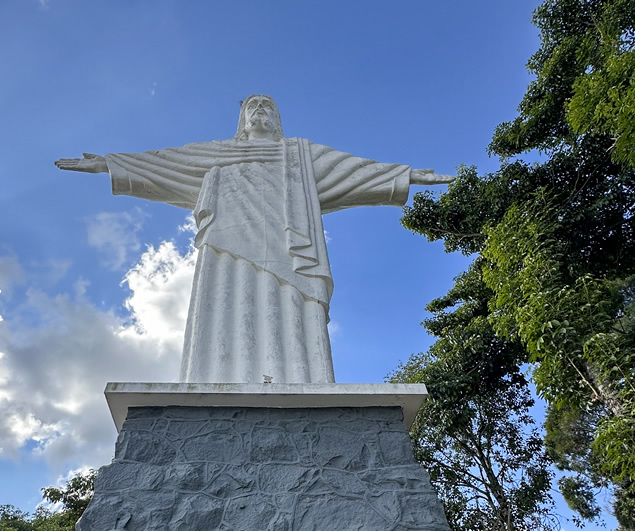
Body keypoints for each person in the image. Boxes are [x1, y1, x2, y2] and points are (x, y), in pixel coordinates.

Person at [56, 95, 452, 384]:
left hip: (289, 249)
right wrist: (111, 164)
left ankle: (303, 379)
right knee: (227, 302)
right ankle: (213, 377)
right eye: (253, 107)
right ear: (243, 120)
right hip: (225, 248)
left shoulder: (300, 155)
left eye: (267, 107)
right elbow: (167, 162)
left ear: (277, 119)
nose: (260, 112)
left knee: (291, 312)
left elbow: (353, 171)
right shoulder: (217, 154)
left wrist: (407, 176)